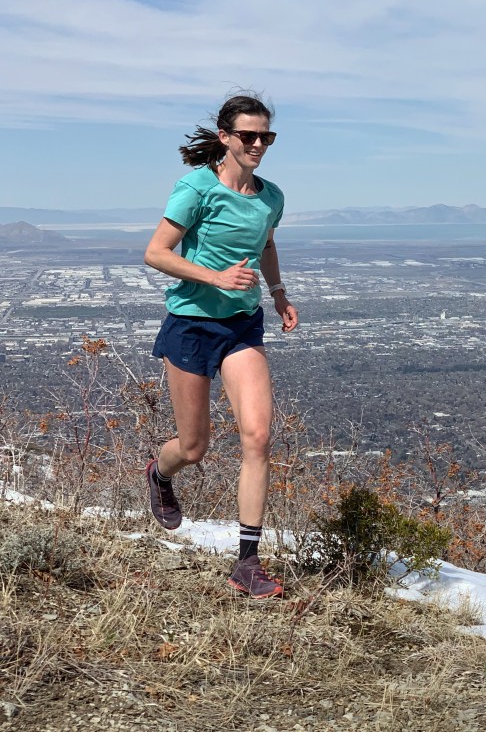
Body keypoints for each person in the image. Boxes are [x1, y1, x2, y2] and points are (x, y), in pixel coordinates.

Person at [143, 93, 298, 599]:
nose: (258, 144)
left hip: (242, 325)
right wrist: (215, 277)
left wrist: (278, 293)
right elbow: (156, 253)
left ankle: (247, 563)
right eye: (248, 136)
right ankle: (159, 473)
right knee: (194, 448)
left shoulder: (271, 197)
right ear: (224, 137)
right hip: (191, 325)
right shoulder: (197, 187)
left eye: (266, 137)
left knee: (258, 437)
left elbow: (266, 243)